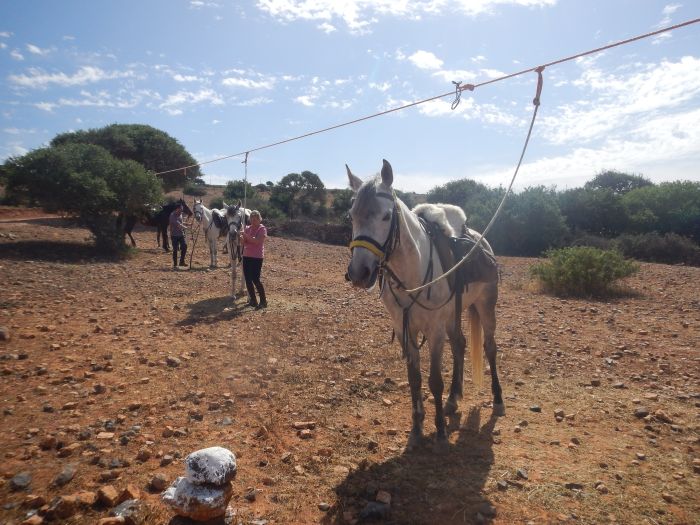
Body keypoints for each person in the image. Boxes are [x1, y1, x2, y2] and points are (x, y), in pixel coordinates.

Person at [240, 210, 267, 309]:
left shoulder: (262, 229)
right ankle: (253, 300)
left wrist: (246, 235)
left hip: (257, 257)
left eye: (255, 219)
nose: (253, 221)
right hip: (246, 255)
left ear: (259, 219)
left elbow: (256, 241)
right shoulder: (247, 228)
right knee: (247, 279)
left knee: (255, 279)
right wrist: (241, 237)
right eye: (251, 219)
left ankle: (263, 301)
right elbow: (243, 242)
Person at [169, 203, 188, 269]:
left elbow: (181, 223)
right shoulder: (172, 215)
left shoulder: (180, 214)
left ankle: (181, 262)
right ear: (177, 209)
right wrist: (185, 227)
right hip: (174, 235)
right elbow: (178, 224)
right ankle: (175, 265)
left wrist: (188, 224)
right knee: (175, 249)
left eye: (182, 209)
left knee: (184, 246)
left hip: (181, 234)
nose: (182, 210)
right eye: (181, 209)